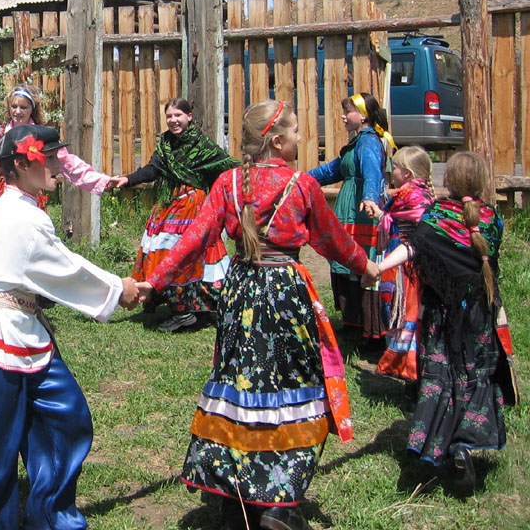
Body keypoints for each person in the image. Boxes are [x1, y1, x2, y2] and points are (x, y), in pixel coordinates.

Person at [138, 100, 379, 530]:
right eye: (297, 131)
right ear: (278, 141)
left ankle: (235, 496)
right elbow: (334, 241)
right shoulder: (301, 186)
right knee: (293, 387)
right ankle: (278, 504)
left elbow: (194, 239)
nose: (303, 138)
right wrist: (369, 267)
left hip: (241, 291)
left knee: (239, 384)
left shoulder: (229, 183)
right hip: (286, 293)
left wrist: (154, 282)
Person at [0, 123, 140, 530]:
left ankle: (50, 516)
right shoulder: (16, 217)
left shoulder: (18, 210)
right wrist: (116, 289)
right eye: (50, 157)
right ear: (21, 163)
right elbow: (63, 268)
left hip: (29, 336)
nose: (58, 163)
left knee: (66, 418)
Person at [375, 151, 518, 491]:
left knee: (442, 374)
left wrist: (378, 267)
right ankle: (465, 443)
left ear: (449, 180)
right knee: (475, 373)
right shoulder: (492, 219)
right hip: (479, 312)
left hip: (442, 313)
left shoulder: (439, 213)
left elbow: (413, 248)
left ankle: (440, 441)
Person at [0, 86, 115, 259]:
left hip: (29, 193)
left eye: (23, 107)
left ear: (32, 110)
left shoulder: (41, 136)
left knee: (27, 238)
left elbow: (69, 164)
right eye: (14, 106)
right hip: (1, 193)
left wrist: (101, 181)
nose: (17, 111)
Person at [113, 97, 238, 332]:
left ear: (189, 116)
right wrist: (128, 179)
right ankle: (174, 302)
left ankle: (188, 309)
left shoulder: (201, 145)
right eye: (169, 116)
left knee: (187, 254)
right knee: (161, 249)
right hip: (169, 204)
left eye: (178, 115)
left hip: (193, 207)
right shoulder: (166, 143)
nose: (173, 120)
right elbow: (153, 169)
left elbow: (227, 167)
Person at [308, 92, 394, 340]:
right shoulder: (357, 143)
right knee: (348, 262)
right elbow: (331, 170)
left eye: (348, 112)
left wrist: (368, 197)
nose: (343, 117)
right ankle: (353, 322)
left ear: (363, 115)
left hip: (360, 213)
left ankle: (366, 328)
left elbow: (372, 173)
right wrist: (301, 179)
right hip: (348, 212)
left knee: (358, 262)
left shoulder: (368, 143)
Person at [363, 146, 436, 382]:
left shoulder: (416, 198)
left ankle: (409, 366)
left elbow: (415, 221)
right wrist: (381, 214)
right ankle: (403, 364)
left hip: (409, 267)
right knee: (401, 312)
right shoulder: (404, 197)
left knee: (408, 314)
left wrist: (387, 215)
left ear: (407, 173)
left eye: (394, 167)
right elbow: (393, 217)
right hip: (399, 263)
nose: (391, 171)